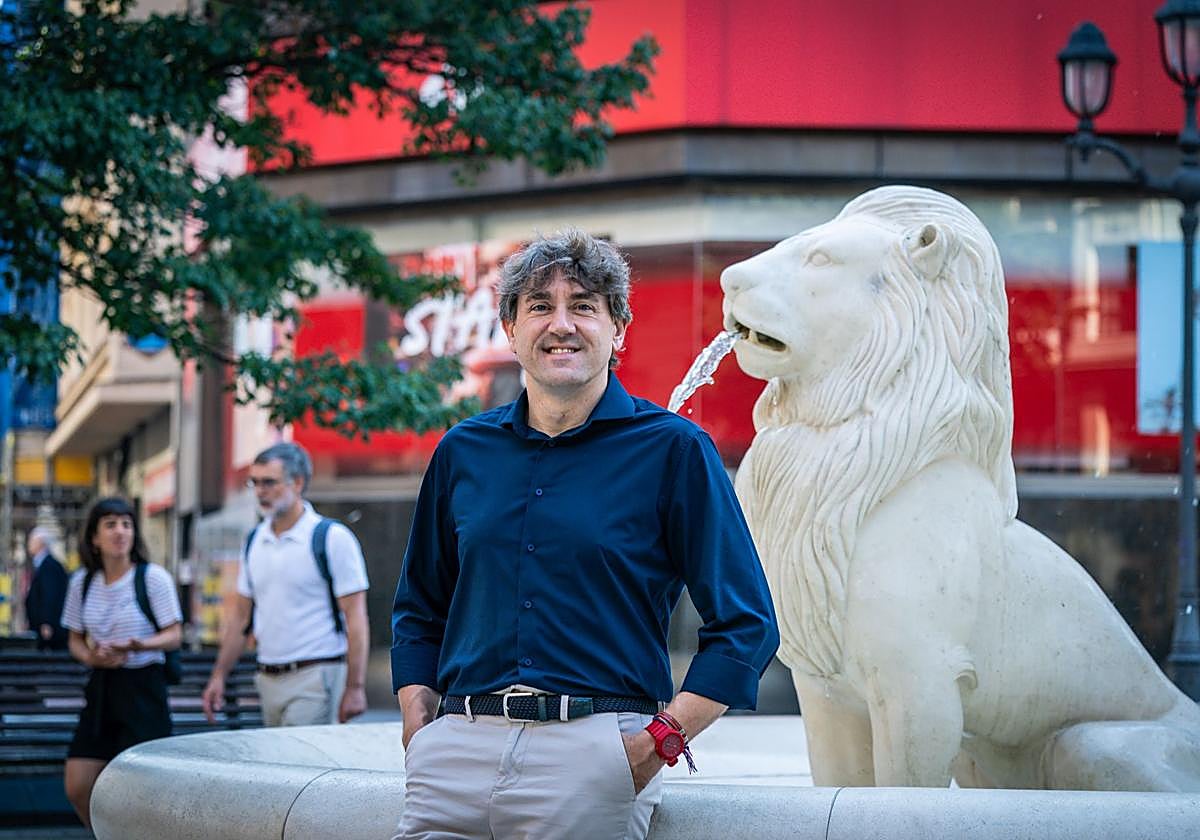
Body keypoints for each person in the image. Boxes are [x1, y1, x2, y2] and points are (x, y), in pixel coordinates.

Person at [391, 228, 780, 839]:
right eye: (540, 307)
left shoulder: (675, 451)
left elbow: (747, 624)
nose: (561, 324)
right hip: (456, 754)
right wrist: (420, 725)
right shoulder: (463, 451)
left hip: (597, 754)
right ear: (510, 330)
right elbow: (419, 605)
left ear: (618, 329)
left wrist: (659, 742)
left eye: (584, 307)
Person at [201, 442, 370, 728]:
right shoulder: (254, 541)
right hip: (267, 679)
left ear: (298, 483)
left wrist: (355, 687)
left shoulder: (331, 538)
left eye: (269, 482)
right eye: (255, 482)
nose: (260, 491)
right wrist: (218, 675)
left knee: (303, 766)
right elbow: (241, 618)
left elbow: (356, 618)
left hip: (316, 676)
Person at [60, 497, 182, 830]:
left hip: (144, 688)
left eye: (127, 524)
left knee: (141, 787)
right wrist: (91, 657)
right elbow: (74, 639)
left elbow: (174, 635)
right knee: (79, 782)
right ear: (94, 538)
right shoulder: (82, 582)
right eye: (110, 524)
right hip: (102, 688)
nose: (120, 532)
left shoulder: (152, 578)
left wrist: (139, 644)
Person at [24, 526, 68, 650]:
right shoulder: (44, 564)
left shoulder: (49, 566)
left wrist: (46, 622)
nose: (29, 544)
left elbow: (50, 595)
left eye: (32, 540)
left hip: (50, 628)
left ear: (40, 543)